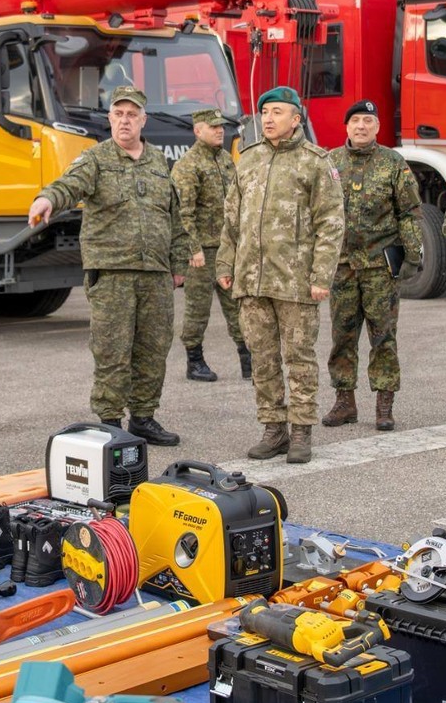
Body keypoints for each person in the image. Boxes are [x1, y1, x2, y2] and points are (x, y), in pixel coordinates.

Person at [28, 86, 185, 447]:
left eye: (132, 115)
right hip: (112, 273)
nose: (125, 121)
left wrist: (179, 263)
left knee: (153, 347)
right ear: (110, 119)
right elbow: (68, 185)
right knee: (112, 350)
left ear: (143, 120)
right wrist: (46, 198)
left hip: (156, 274)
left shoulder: (161, 163)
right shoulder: (95, 159)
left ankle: (143, 418)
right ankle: (111, 422)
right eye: (118, 114)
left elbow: (175, 218)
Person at [216, 85, 343, 463]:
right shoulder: (249, 160)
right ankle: (274, 430)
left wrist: (322, 275)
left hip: (295, 282)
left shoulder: (315, 162)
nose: (268, 119)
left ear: (296, 119)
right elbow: (231, 219)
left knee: (299, 358)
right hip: (252, 281)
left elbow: (331, 223)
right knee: (263, 358)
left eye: (276, 112)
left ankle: (301, 431)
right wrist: (226, 264)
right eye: (265, 112)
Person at [323, 100, 423, 433]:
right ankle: (344, 402)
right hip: (341, 266)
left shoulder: (393, 163)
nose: (361, 126)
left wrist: (412, 254)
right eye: (355, 121)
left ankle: (384, 404)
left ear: (378, 127)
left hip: (380, 267)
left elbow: (409, 212)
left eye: (368, 120)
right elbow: (317, 214)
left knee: (383, 338)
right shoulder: (330, 162)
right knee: (342, 337)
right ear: (346, 127)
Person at [170, 107, 247, 382]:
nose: (219, 131)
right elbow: (182, 213)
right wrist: (193, 249)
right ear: (197, 130)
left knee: (238, 305)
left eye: (221, 127)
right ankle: (195, 360)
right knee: (197, 309)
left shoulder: (226, 159)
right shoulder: (187, 166)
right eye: (212, 126)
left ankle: (247, 358)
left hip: (228, 248)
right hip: (201, 253)